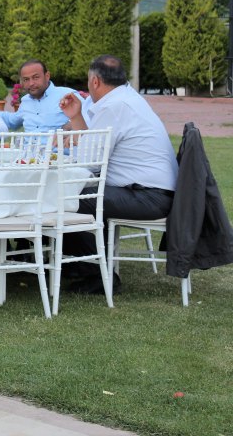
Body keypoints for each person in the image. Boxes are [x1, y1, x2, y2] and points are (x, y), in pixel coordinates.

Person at [58, 54, 178, 294]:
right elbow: (94, 153)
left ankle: (97, 274)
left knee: (63, 199)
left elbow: (90, 162)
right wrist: (76, 117)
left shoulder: (114, 106)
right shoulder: (127, 98)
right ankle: (85, 266)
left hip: (148, 196)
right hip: (152, 192)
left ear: (94, 81)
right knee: (78, 195)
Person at [0, 59, 80, 132]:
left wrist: (68, 127)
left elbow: (85, 121)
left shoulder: (68, 95)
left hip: (57, 144)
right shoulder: (26, 101)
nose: (31, 83)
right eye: (26, 79)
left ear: (47, 76)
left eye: (36, 77)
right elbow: (12, 122)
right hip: (28, 144)